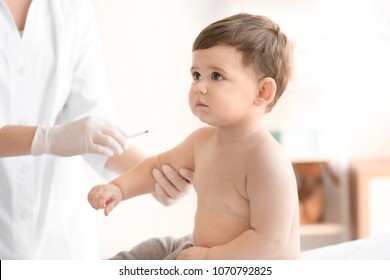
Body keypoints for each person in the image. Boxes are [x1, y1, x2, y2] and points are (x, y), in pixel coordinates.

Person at [88, 13, 300, 260]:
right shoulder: (202, 141)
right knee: (148, 250)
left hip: (246, 265)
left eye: (216, 76)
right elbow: (158, 166)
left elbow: (269, 240)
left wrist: (209, 259)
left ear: (262, 92)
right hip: (198, 248)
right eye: (196, 75)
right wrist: (119, 189)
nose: (199, 86)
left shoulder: (266, 159)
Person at [0, 0, 191, 259]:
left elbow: (94, 128)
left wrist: (156, 176)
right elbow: (67, 137)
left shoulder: (73, 9)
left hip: (60, 239)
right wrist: (45, 138)